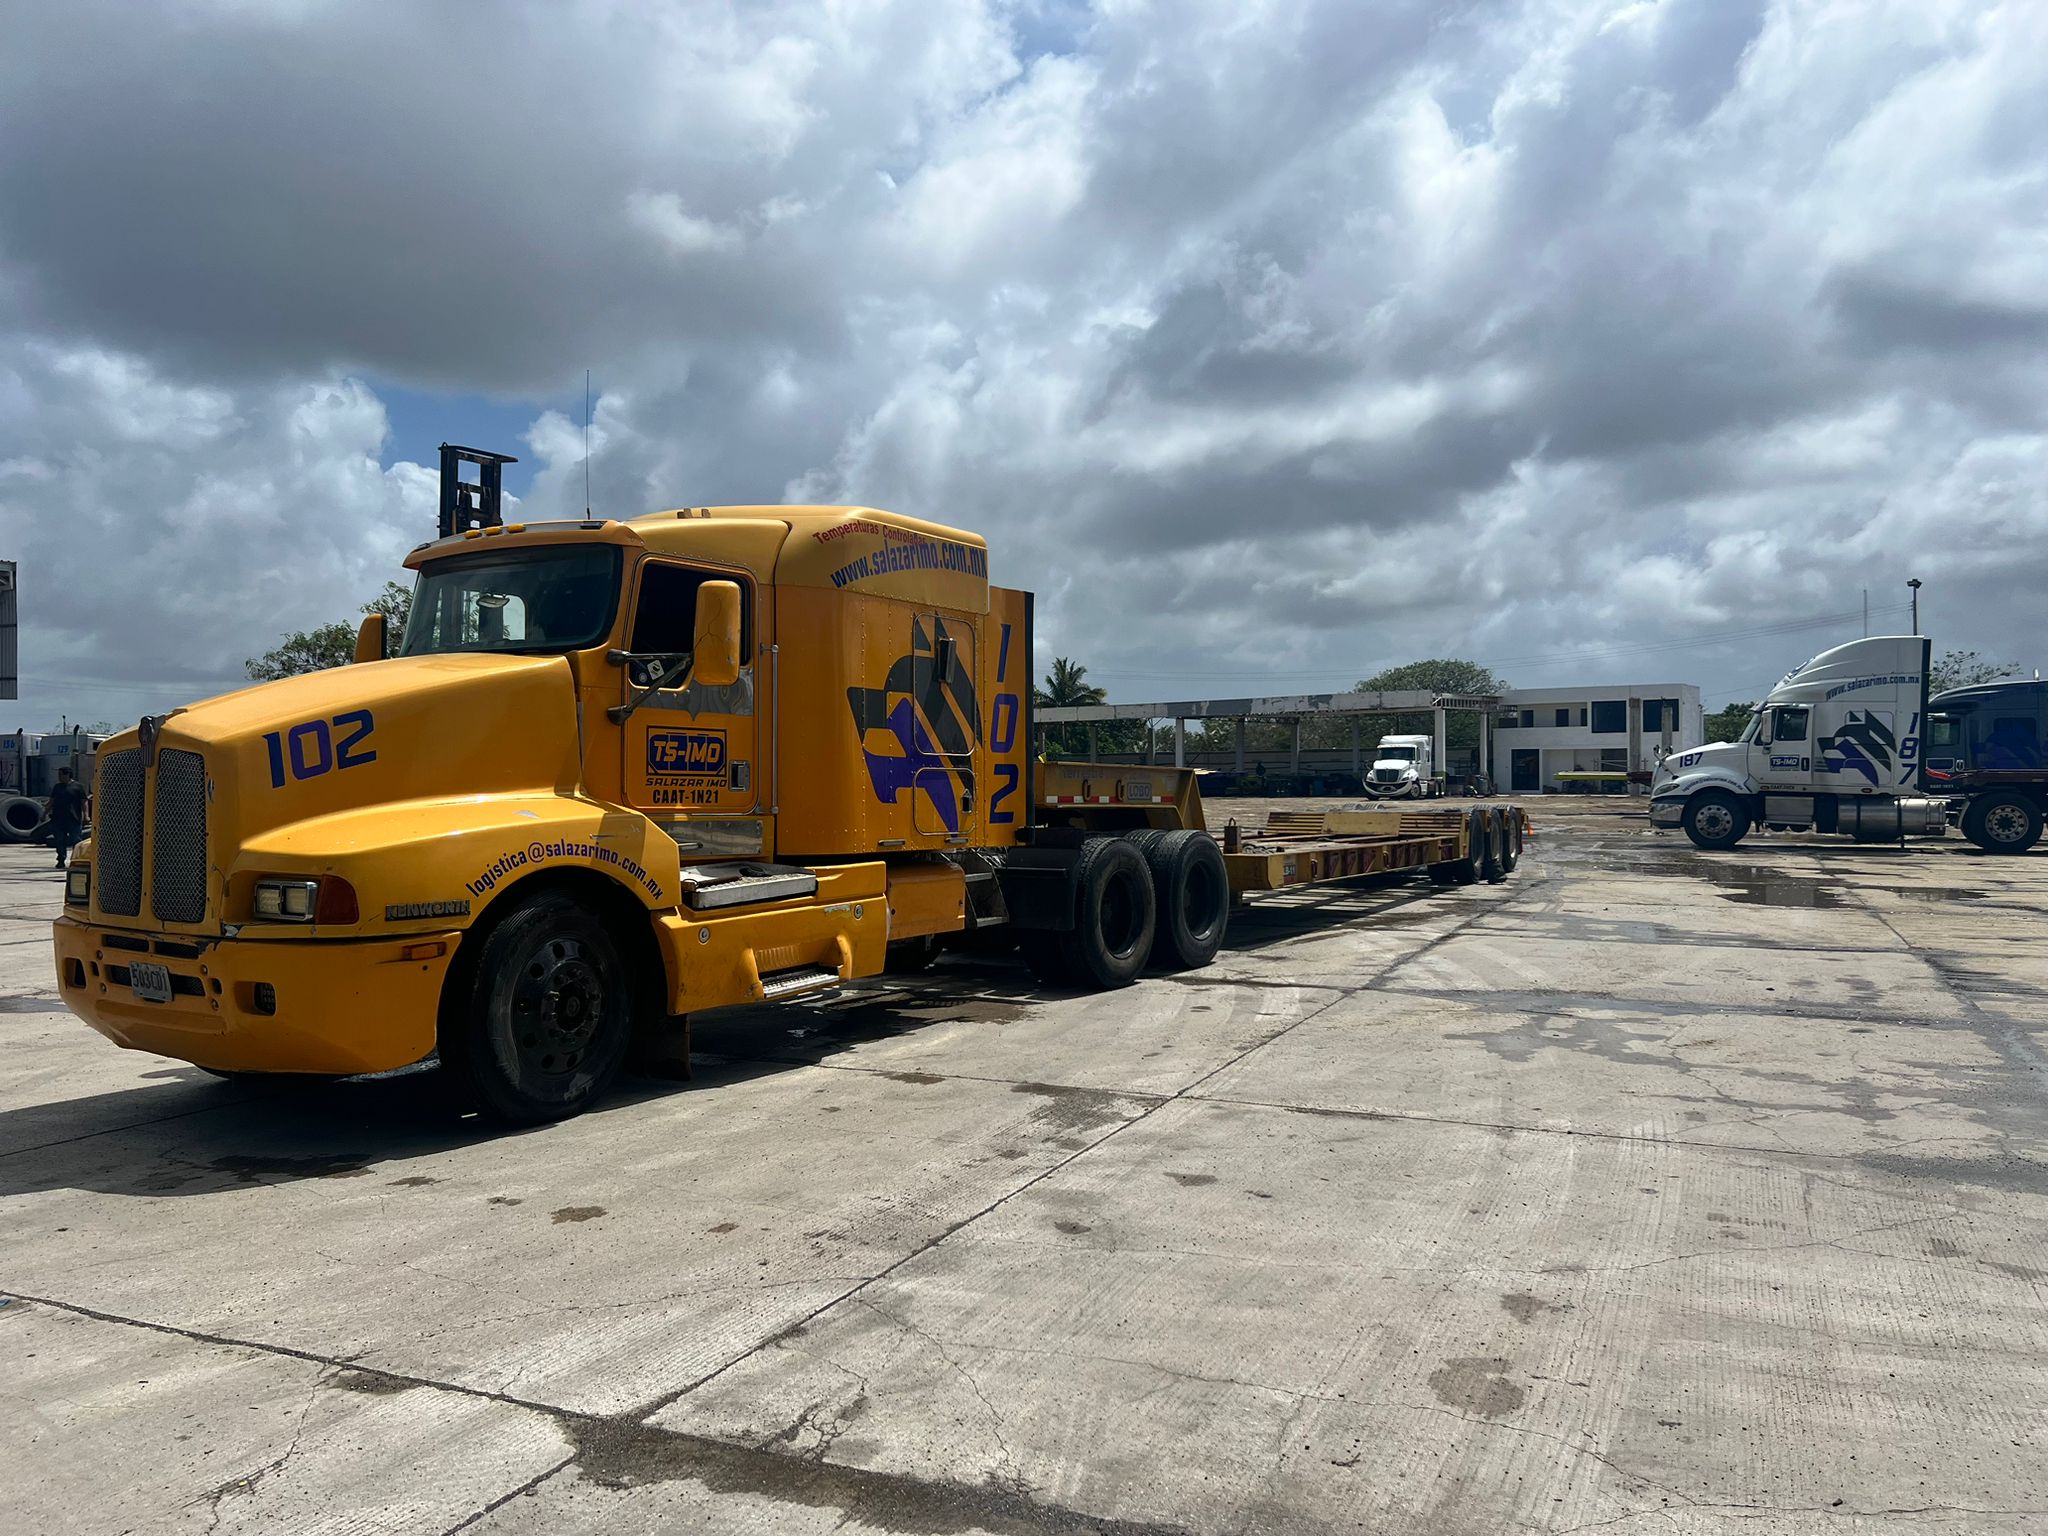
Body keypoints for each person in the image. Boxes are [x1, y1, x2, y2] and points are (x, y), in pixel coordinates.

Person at [49, 767, 88, 870]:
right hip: (59, 818)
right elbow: (52, 801)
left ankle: (76, 860)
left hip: (74, 818)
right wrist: (44, 813)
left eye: (60, 775)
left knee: (76, 840)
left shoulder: (78, 787)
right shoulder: (57, 787)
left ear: (67, 775)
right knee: (60, 840)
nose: (59, 777)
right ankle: (61, 860)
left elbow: (84, 802)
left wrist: (86, 815)